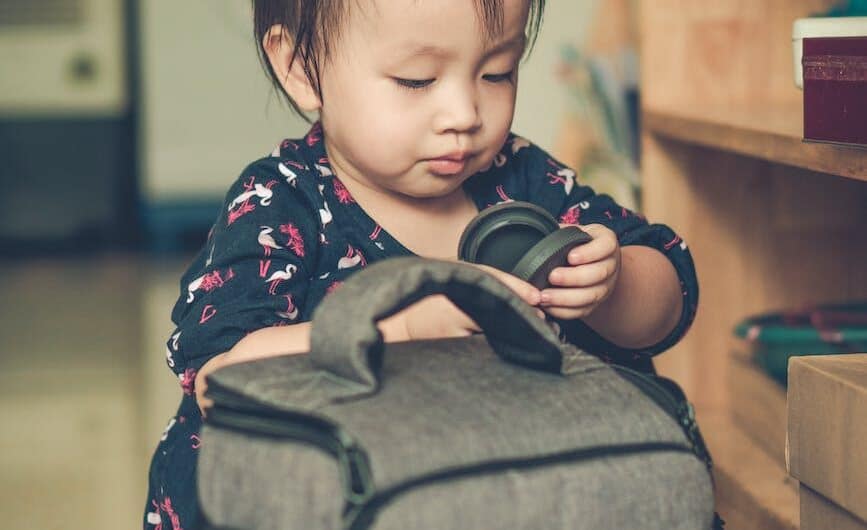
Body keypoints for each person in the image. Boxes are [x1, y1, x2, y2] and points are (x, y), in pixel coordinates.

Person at [144, 0, 698, 527]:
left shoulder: (525, 181)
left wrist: (613, 282)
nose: (464, 114)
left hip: (510, 493)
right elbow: (220, 375)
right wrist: (401, 330)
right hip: (336, 500)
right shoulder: (283, 204)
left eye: (498, 72)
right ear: (299, 68)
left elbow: (670, 302)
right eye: (416, 80)